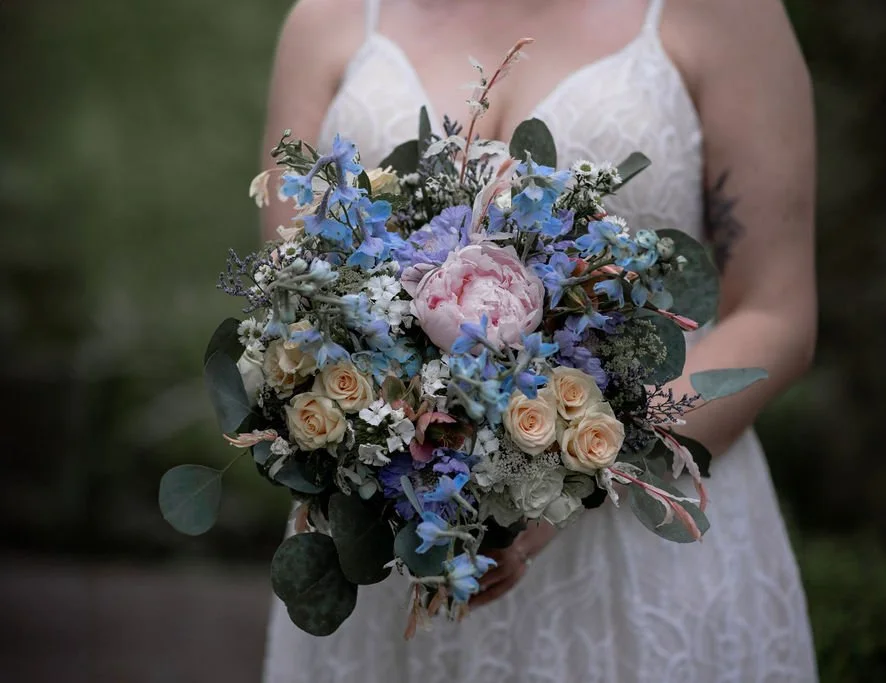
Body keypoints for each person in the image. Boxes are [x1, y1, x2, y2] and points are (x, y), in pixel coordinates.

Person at [260, 0, 819, 680]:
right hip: (392, 546)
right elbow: (290, 304)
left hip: (638, 543)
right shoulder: (329, 18)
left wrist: (576, 472)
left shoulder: (721, 14)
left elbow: (774, 313)